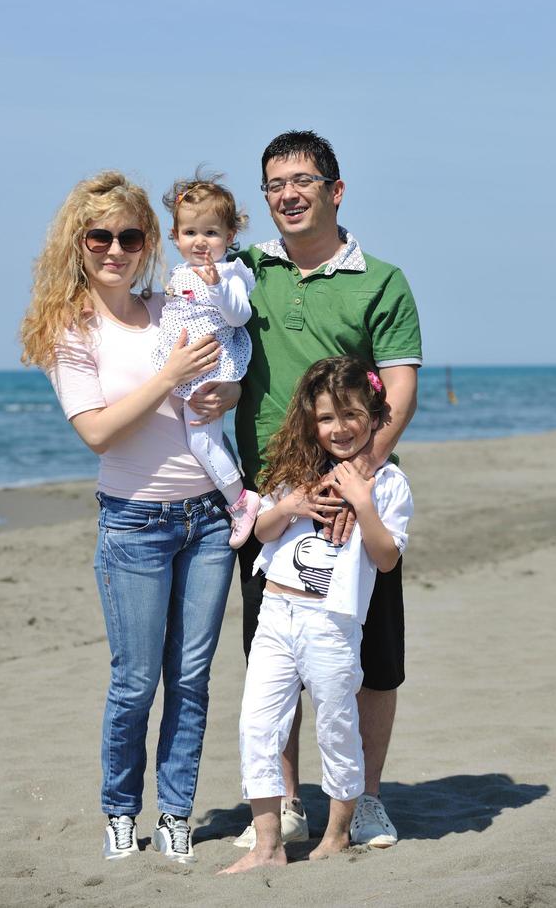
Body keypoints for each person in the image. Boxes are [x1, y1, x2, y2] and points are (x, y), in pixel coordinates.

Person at [20, 170, 237, 864]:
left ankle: (175, 811)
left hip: (207, 519)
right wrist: (168, 378)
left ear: (149, 244)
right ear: (78, 244)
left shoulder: (169, 308)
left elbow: (224, 363)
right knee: (136, 682)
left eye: (130, 235)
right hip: (134, 527)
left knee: (193, 678)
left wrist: (226, 391)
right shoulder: (69, 327)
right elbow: (98, 432)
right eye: (101, 236)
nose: (115, 248)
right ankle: (121, 809)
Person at [229, 130, 422, 850]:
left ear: (335, 191)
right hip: (275, 504)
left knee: (372, 659)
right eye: (275, 183)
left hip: (358, 497)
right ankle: (287, 802)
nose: (288, 193)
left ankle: (365, 800)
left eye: (303, 179)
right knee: (274, 656)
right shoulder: (244, 272)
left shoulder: (383, 279)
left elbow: (398, 392)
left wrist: (355, 482)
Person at [222, 357, 413, 874]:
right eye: (327, 418)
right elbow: (261, 532)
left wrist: (361, 502)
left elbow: (386, 557)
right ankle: (268, 845)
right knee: (257, 723)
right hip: (275, 617)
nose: (339, 428)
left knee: (336, 725)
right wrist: (293, 506)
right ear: (311, 422)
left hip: (332, 623)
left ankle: (335, 834)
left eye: (352, 415)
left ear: (375, 417)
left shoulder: (388, 484)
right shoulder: (294, 475)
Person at [153, 173, 259, 548]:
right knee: (201, 438)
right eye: (191, 232)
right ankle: (234, 492)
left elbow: (238, 316)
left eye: (211, 233)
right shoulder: (181, 271)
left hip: (210, 369)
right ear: (176, 236)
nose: (201, 242)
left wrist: (217, 286)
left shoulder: (229, 273)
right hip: (188, 368)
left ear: (230, 236)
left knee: (201, 442)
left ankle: (241, 501)